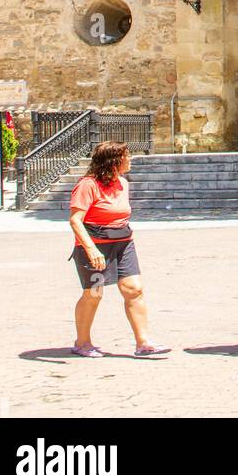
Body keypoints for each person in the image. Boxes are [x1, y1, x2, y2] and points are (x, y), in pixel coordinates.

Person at [68, 140, 169, 358]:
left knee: (134, 289)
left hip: (123, 244)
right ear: (114, 161)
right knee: (94, 294)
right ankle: (82, 342)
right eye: (127, 156)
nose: (130, 160)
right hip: (95, 247)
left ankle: (143, 343)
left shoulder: (123, 183)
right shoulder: (87, 185)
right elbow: (76, 220)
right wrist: (92, 250)